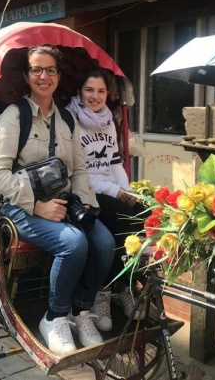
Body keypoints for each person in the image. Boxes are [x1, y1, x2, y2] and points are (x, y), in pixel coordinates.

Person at [0, 45, 116, 356]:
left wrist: (85, 203)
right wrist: (37, 205)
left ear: (58, 77)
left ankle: (80, 310)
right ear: (27, 75)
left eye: (50, 70)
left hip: (64, 202)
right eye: (37, 70)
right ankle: (54, 316)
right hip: (19, 207)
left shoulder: (67, 120)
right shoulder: (14, 115)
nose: (44, 76)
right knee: (73, 243)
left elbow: (81, 169)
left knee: (105, 243)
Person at [65, 69, 147, 332]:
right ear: (79, 91)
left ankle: (123, 285)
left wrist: (128, 192)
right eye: (89, 90)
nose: (95, 96)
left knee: (144, 216)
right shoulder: (70, 118)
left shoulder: (108, 120)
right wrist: (115, 193)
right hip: (83, 189)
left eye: (101, 91)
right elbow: (78, 170)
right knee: (120, 219)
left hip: (108, 186)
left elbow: (114, 163)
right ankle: (102, 291)